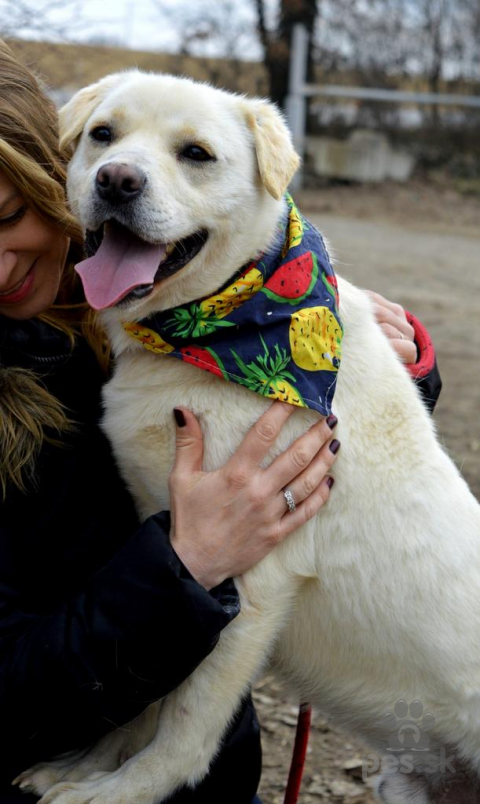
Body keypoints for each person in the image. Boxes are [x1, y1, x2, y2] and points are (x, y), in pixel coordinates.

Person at [0, 41, 442, 804]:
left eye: (10, 214)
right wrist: (185, 565)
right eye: (106, 141)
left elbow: (360, 493)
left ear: (48, 170)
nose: (124, 170)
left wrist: (390, 359)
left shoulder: (199, 312)